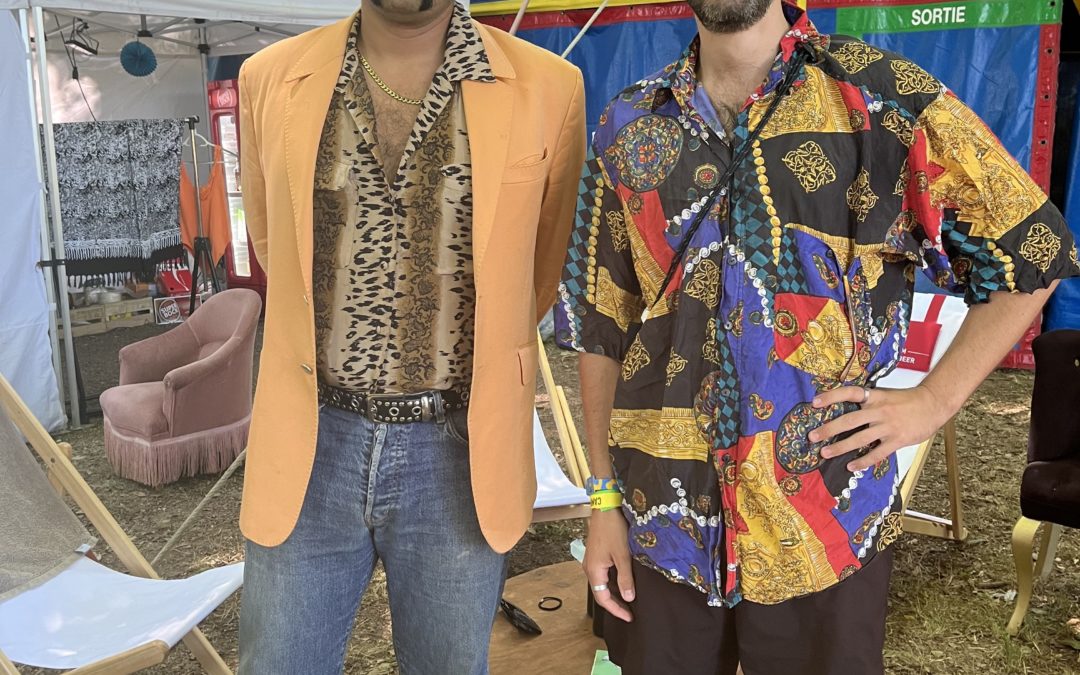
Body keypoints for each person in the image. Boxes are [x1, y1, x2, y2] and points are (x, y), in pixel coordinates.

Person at [557, 0, 1077, 672]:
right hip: (658, 519)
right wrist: (601, 498)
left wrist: (932, 401)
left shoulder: (884, 99)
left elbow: (1036, 251)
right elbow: (602, 324)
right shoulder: (627, 124)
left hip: (824, 520)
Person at [236, 0, 585, 671]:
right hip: (310, 441)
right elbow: (273, 243)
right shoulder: (270, 78)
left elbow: (537, 274)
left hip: (459, 451)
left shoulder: (549, 87)